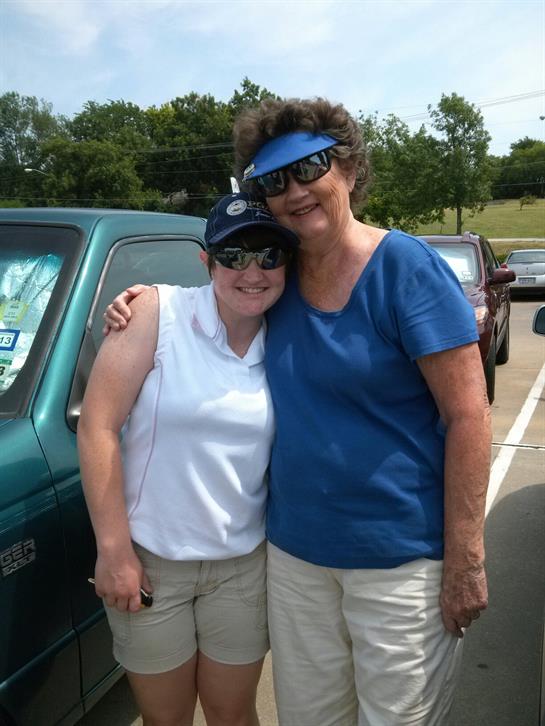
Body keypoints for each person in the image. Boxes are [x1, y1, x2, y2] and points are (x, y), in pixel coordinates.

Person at [104, 98, 491, 726]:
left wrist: (467, 558)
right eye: (274, 180)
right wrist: (140, 300)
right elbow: (210, 295)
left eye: (310, 168)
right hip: (294, 561)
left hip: (399, 561)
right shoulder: (273, 278)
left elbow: (469, 417)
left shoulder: (405, 268)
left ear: (348, 168)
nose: (295, 191)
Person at [78, 192, 298, 726]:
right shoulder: (156, 311)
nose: (252, 270)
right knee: (168, 719)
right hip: (153, 566)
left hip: (242, 566)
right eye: (233, 254)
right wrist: (114, 552)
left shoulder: (293, 334)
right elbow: (97, 426)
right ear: (207, 260)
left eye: (269, 254)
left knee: (233, 715)